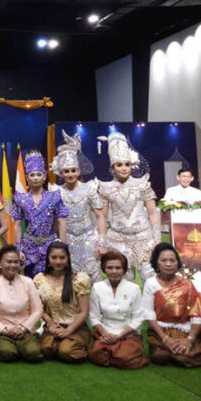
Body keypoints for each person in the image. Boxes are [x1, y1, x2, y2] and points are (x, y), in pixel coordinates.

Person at [97, 132, 160, 280]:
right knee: (124, 279)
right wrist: (102, 241)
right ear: (113, 167)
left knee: (150, 277)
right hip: (118, 239)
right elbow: (102, 217)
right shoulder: (105, 188)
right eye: (119, 165)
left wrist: (157, 237)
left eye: (127, 164)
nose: (124, 168)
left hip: (144, 238)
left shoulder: (142, 184)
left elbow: (152, 212)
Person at [51, 132, 106, 282]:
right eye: (66, 171)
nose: (70, 174)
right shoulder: (56, 191)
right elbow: (56, 221)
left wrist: (101, 242)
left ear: (79, 171)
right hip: (67, 239)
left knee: (94, 277)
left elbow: (100, 216)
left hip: (89, 238)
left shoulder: (89, 188)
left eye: (73, 170)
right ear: (61, 173)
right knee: (70, 278)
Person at [143, 242, 201, 368]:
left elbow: (196, 315)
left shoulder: (187, 285)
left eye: (172, 260)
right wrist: (165, 339)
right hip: (160, 330)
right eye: (163, 260)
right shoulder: (150, 283)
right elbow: (148, 315)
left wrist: (189, 339)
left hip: (183, 329)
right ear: (156, 263)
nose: (168, 264)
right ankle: (167, 349)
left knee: (188, 355)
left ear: (177, 263)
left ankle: (183, 349)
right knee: (160, 356)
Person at [11, 151, 68, 278]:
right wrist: (18, 248)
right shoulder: (21, 199)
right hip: (29, 247)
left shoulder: (54, 197)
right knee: (30, 282)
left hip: (50, 245)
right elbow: (17, 225)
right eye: (32, 175)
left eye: (39, 174)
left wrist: (63, 247)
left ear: (44, 176)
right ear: (27, 178)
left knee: (52, 279)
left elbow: (61, 222)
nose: (35, 177)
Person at [88, 251, 148, 369]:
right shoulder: (97, 287)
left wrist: (120, 335)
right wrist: (105, 334)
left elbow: (138, 318)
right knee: (96, 354)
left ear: (124, 270)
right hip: (105, 333)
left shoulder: (134, 288)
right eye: (110, 268)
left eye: (118, 268)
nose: (114, 271)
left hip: (128, 334)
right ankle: (114, 351)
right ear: (104, 269)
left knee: (124, 357)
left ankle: (117, 352)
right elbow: (93, 317)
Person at [0, 245, 43, 363]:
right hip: (3, 330)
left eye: (16, 262)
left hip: (25, 329)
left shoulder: (28, 282)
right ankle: (4, 346)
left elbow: (37, 310)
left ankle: (22, 346)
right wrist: (3, 329)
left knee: (33, 353)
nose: (13, 265)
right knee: (8, 353)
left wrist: (23, 328)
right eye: (9, 262)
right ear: (0, 262)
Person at [34, 241, 91, 363]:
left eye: (62, 258)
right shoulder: (40, 279)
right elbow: (40, 309)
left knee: (66, 352)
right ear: (48, 259)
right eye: (54, 257)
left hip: (75, 327)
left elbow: (84, 312)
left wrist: (68, 330)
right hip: (53, 327)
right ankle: (57, 343)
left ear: (68, 259)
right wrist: (50, 323)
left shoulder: (78, 279)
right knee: (45, 349)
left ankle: (80, 346)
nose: (58, 261)